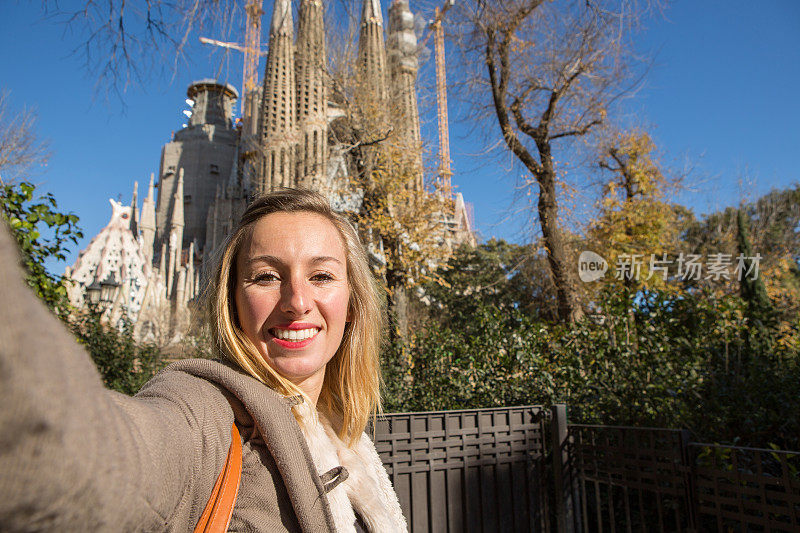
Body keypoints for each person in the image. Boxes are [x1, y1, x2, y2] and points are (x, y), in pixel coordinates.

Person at [0, 188, 408, 532]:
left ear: (352, 302)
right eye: (265, 276)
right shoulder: (206, 412)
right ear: (231, 301)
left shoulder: (345, 437)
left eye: (321, 276)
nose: (297, 302)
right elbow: (101, 458)